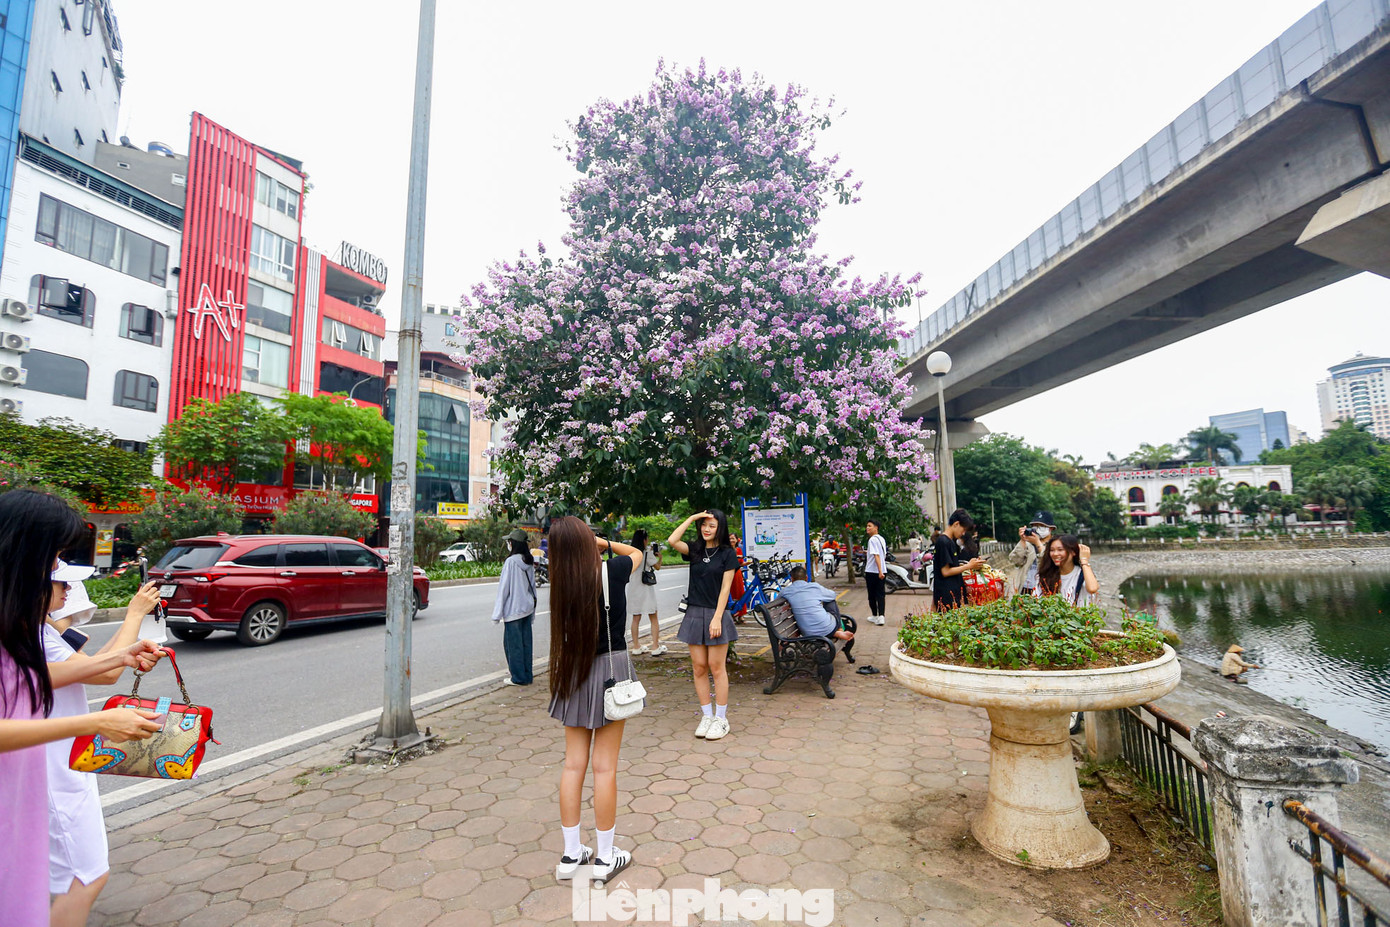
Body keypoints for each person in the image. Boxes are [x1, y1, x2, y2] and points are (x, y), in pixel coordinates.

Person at [0, 491, 163, 927]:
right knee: (83, 876)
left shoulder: (24, 629)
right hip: (43, 769)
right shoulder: (24, 630)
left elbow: (52, 675)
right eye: (55, 561)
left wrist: (122, 655)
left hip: (32, 777)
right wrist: (98, 720)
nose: (64, 581)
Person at [44, 564, 164, 927]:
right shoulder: (34, 636)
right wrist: (135, 614)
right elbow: (106, 673)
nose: (69, 589)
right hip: (53, 769)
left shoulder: (40, 630)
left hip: (63, 762)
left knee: (67, 877)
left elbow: (95, 667)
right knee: (86, 877)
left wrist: (125, 651)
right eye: (59, 579)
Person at [546, 517, 645, 885]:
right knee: (605, 769)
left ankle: (571, 855)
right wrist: (605, 543)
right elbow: (637, 552)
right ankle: (605, 857)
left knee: (573, 766)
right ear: (589, 542)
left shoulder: (562, 582)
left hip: (574, 672)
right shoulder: (612, 571)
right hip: (610, 671)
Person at [667, 509, 739, 740]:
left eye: (712, 525)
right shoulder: (696, 550)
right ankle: (706, 716)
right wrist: (691, 519)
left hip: (716, 613)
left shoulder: (728, 554)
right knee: (699, 667)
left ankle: (721, 719)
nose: (706, 529)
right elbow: (672, 540)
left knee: (717, 667)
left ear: (721, 528)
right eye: (704, 525)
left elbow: (725, 589)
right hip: (694, 613)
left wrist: (717, 617)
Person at [493, 529, 538, 686]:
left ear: (513, 543)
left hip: (513, 610)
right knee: (526, 644)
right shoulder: (528, 561)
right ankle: (527, 675)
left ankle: (518, 678)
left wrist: (497, 614)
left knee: (513, 646)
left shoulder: (511, 562)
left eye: (509, 541)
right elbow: (532, 587)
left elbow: (503, 589)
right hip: (527, 608)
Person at [782, 567, 854, 643]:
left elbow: (776, 602)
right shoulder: (814, 587)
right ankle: (839, 629)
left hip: (808, 633)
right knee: (830, 600)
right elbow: (832, 595)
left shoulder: (785, 591)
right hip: (828, 628)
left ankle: (837, 632)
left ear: (792, 579)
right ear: (806, 577)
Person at [932, 510, 984, 612]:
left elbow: (952, 566)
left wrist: (970, 563)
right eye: (963, 530)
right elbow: (945, 571)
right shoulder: (943, 542)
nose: (963, 533)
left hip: (952, 595)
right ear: (956, 524)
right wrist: (969, 566)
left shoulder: (950, 542)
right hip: (946, 596)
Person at [626, 530, 665, 656]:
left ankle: (636, 646)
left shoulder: (630, 553)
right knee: (653, 616)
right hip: (646, 588)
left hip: (633, 588)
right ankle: (655, 646)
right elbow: (657, 567)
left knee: (635, 618)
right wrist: (660, 557)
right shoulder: (647, 553)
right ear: (644, 540)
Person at [1032, 535, 1099, 607]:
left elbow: (1092, 589)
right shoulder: (1045, 575)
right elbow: (1035, 601)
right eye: (1052, 550)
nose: (1055, 554)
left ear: (1073, 552)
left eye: (1060, 550)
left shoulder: (1083, 574)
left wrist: (1084, 561)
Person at [1006, 512, 1055, 598]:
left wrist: (1037, 543)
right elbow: (1015, 561)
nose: (1037, 528)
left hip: (1045, 589)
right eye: (1034, 526)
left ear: (1051, 528)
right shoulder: (1028, 544)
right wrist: (1023, 541)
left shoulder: (1055, 544)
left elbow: (1050, 563)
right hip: (1025, 588)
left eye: (1041, 526)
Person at [863, 520, 888, 626]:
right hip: (883, 570)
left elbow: (876, 555)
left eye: (870, 526)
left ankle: (875, 615)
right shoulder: (881, 539)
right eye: (867, 526)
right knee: (881, 594)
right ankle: (881, 616)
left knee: (872, 595)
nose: (867, 528)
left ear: (876, 527)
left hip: (872, 571)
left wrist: (879, 571)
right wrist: (882, 570)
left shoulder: (872, 539)